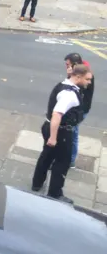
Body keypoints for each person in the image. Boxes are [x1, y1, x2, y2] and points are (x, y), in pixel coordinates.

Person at [31, 64, 93, 203]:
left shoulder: (63, 84)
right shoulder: (69, 94)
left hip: (49, 126)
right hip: (61, 131)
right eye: (87, 79)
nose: (89, 82)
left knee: (46, 156)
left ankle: (36, 184)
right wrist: (53, 138)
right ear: (78, 77)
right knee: (62, 162)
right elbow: (57, 115)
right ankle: (55, 193)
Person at [63, 53, 95, 167]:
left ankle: (70, 160)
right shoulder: (79, 73)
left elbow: (71, 89)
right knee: (71, 133)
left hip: (79, 111)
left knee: (72, 134)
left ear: (75, 64)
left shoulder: (83, 77)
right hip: (77, 109)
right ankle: (69, 159)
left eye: (68, 64)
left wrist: (69, 77)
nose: (66, 66)